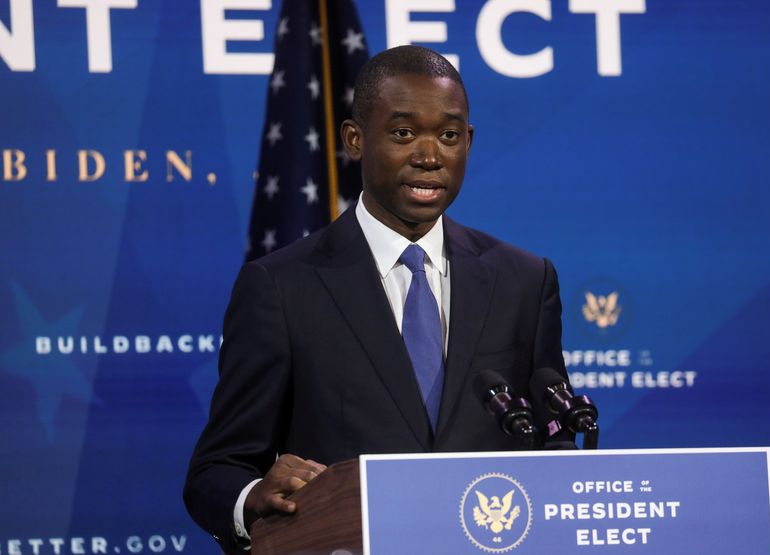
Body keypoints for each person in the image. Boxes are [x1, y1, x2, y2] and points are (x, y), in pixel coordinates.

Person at [184, 45, 570, 554]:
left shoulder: (524, 279)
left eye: (449, 135)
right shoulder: (280, 287)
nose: (430, 156)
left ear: (468, 142)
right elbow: (218, 469)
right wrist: (253, 495)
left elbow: (554, 435)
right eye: (404, 133)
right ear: (355, 139)